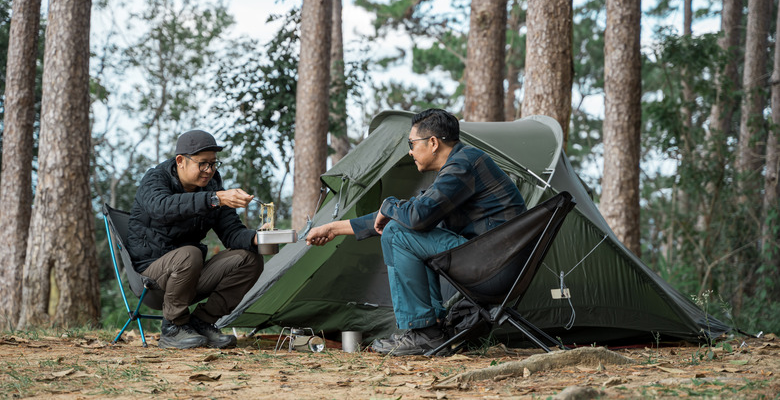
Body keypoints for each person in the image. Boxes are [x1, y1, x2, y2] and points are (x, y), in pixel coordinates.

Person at [306, 109, 527, 355]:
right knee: (401, 227)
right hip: (493, 263)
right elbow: (408, 214)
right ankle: (431, 329)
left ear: (433, 143)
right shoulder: (460, 165)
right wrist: (333, 228)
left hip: (492, 267)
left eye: (411, 144)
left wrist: (388, 205)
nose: (410, 151)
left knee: (398, 234)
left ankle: (424, 332)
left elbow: (414, 217)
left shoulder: (463, 165)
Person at [127, 130, 263, 349]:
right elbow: (162, 207)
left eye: (213, 164)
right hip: (151, 276)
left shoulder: (212, 186)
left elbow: (231, 233)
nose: (209, 171)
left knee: (249, 258)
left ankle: (202, 322)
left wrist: (257, 238)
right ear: (180, 161)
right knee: (189, 254)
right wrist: (215, 198)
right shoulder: (155, 179)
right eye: (202, 164)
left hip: (190, 273)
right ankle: (173, 326)